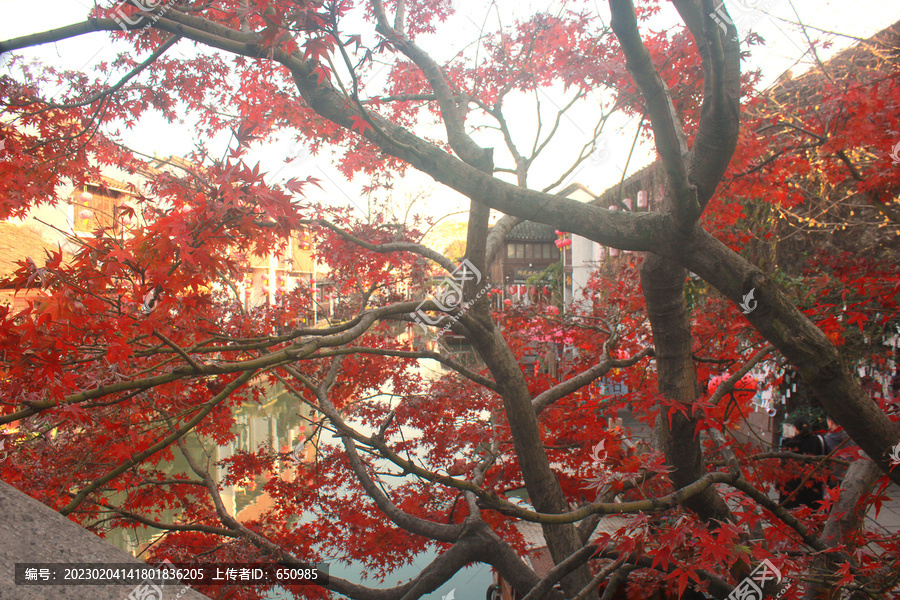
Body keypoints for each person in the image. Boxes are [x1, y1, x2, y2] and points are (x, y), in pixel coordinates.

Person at [779, 416, 826, 509]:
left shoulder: (788, 443)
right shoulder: (818, 441)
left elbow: (783, 466)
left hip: (792, 489)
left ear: (795, 428)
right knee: (813, 518)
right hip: (813, 487)